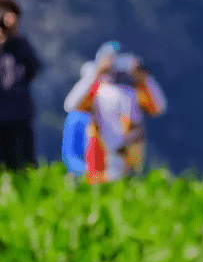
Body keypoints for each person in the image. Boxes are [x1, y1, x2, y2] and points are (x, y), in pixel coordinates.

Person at [64, 41, 167, 183]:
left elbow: (159, 107)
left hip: (128, 168)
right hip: (99, 167)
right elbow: (71, 105)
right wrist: (96, 73)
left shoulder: (135, 92)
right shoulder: (96, 91)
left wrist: (143, 76)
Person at [0, 0, 41, 172]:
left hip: (16, 118)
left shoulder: (20, 46)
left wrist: (13, 37)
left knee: (23, 167)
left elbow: (33, 68)